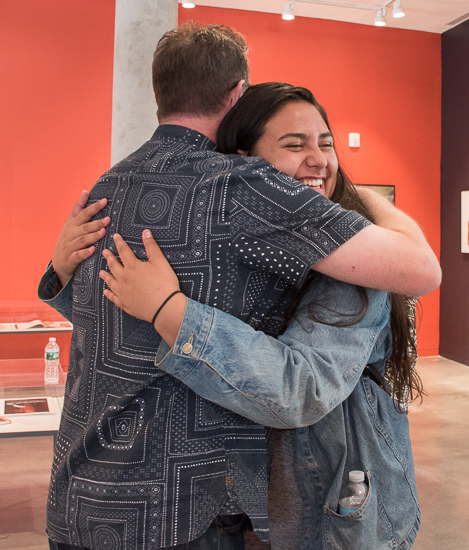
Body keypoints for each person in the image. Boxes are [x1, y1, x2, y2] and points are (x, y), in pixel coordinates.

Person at [38, 23, 439, 550]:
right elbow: (422, 271)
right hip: (180, 513)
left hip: (81, 494)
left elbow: (111, 321)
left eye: (326, 143)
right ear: (238, 97)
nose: (316, 158)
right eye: (294, 144)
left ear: (159, 92)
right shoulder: (243, 187)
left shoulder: (110, 185)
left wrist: (60, 275)